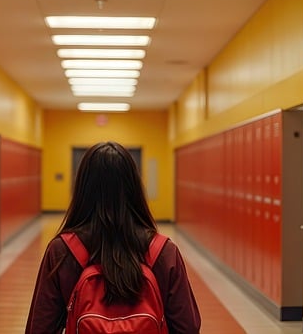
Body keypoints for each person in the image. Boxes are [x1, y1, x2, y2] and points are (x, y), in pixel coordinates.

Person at [25, 141, 201, 334]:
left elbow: (39, 328)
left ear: (82, 189)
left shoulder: (62, 251)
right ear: (134, 187)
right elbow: (188, 327)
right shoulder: (164, 252)